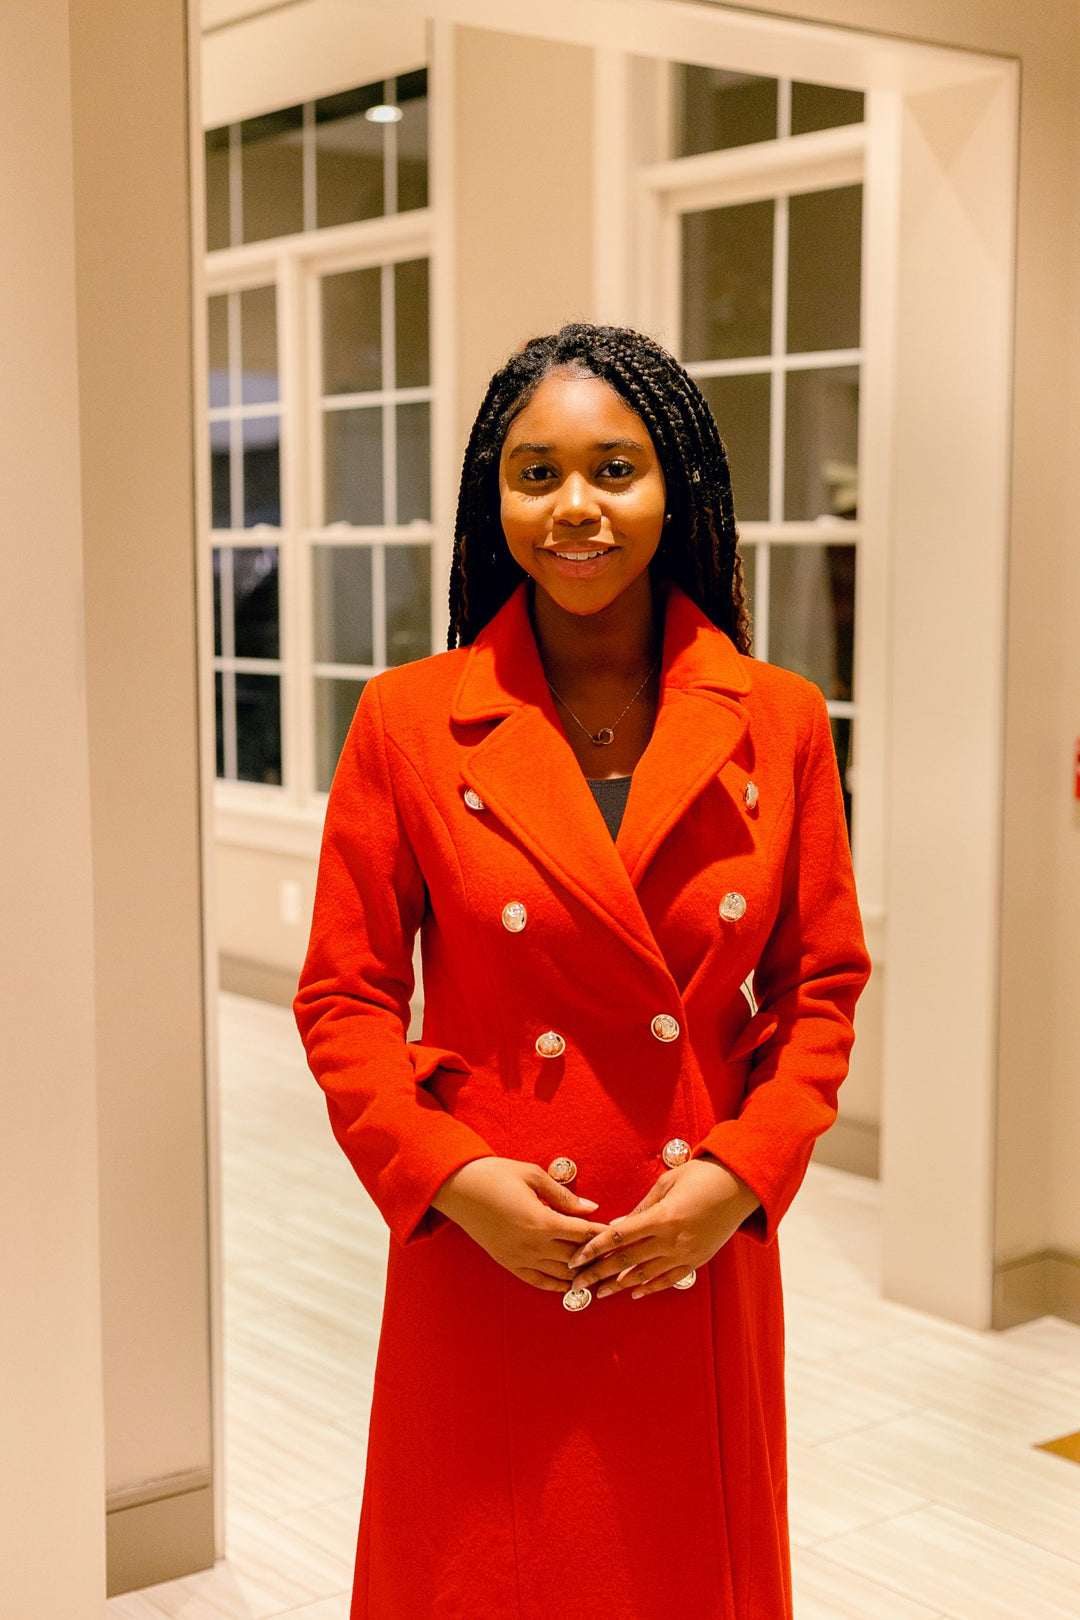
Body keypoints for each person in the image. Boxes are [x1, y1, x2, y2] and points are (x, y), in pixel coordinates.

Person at [293, 322, 871, 1619]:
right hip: (495, 1240)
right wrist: (451, 1177)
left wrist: (741, 1177)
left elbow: (820, 987)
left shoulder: (775, 719)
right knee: (482, 1566)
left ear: (678, 490)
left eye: (615, 468)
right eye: (534, 472)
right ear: (492, 502)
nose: (575, 508)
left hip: (690, 1240)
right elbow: (345, 997)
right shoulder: (408, 718)